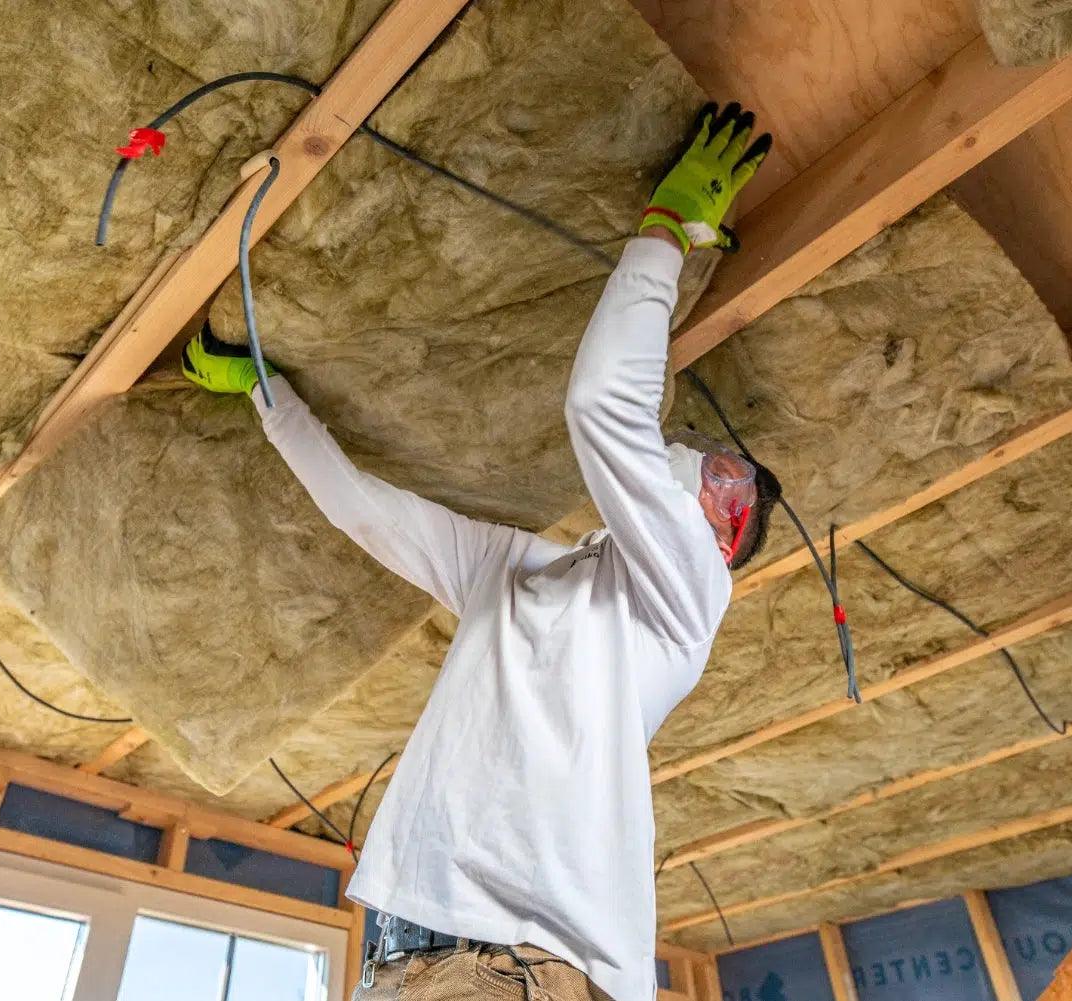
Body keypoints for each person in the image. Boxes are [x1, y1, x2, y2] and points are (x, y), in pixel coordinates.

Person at [183, 102, 774, 1001]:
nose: (707, 469)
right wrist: (272, 398)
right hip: (469, 966)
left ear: (718, 543)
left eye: (729, 488)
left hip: (487, 967)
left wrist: (668, 230)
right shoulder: (519, 569)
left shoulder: (683, 604)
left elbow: (603, 408)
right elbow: (366, 512)